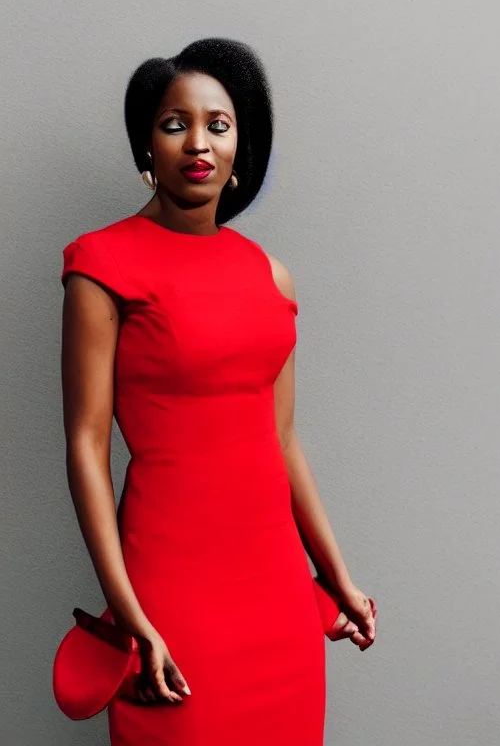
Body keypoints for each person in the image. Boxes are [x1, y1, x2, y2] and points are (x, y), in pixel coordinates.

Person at [60, 37, 377, 746]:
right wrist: (127, 611)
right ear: (148, 145)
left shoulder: (271, 276)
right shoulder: (101, 265)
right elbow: (85, 443)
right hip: (169, 594)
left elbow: (282, 439)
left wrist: (338, 577)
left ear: (241, 150)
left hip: (278, 599)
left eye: (218, 125)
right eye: (175, 124)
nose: (197, 142)